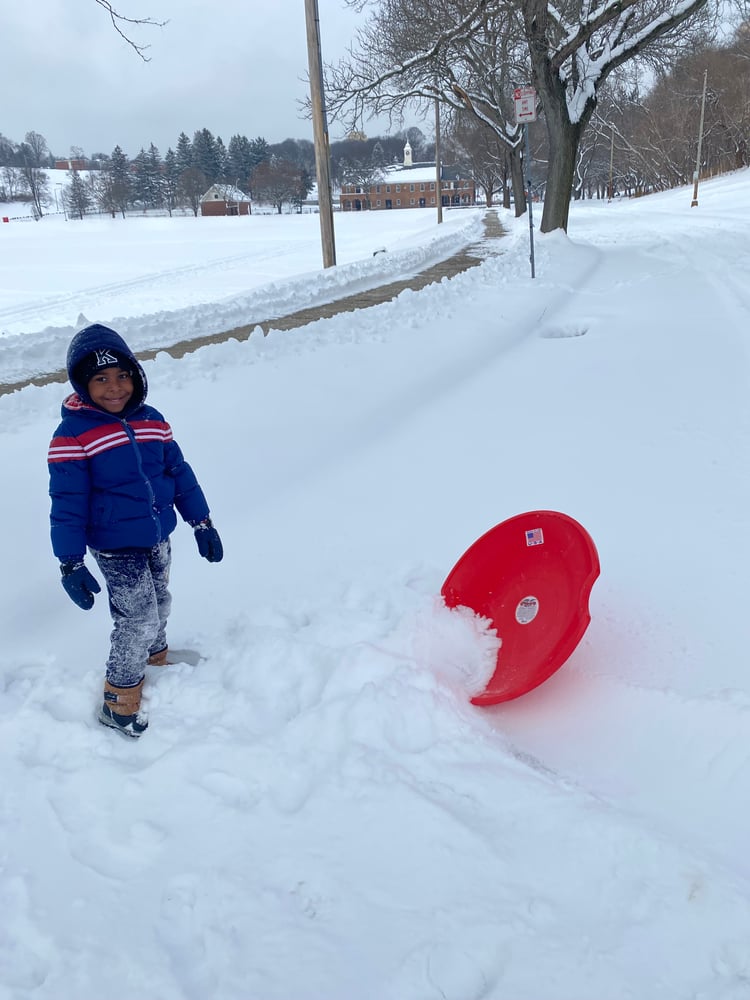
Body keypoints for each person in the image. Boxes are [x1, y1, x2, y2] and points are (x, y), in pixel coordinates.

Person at [47, 323, 223, 739]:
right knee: (136, 617)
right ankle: (119, 701)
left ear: (136, 375)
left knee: (160, 601)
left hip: (157, 534)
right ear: (82, 384)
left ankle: (154, 660)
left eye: (122, 375)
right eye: (101, 379)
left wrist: (202, 522)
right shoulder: (72, 435)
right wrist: (69, 562)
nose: (114, 388)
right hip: (114, 546)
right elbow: (66, 503)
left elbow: (179, 472)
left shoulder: (152, 420)